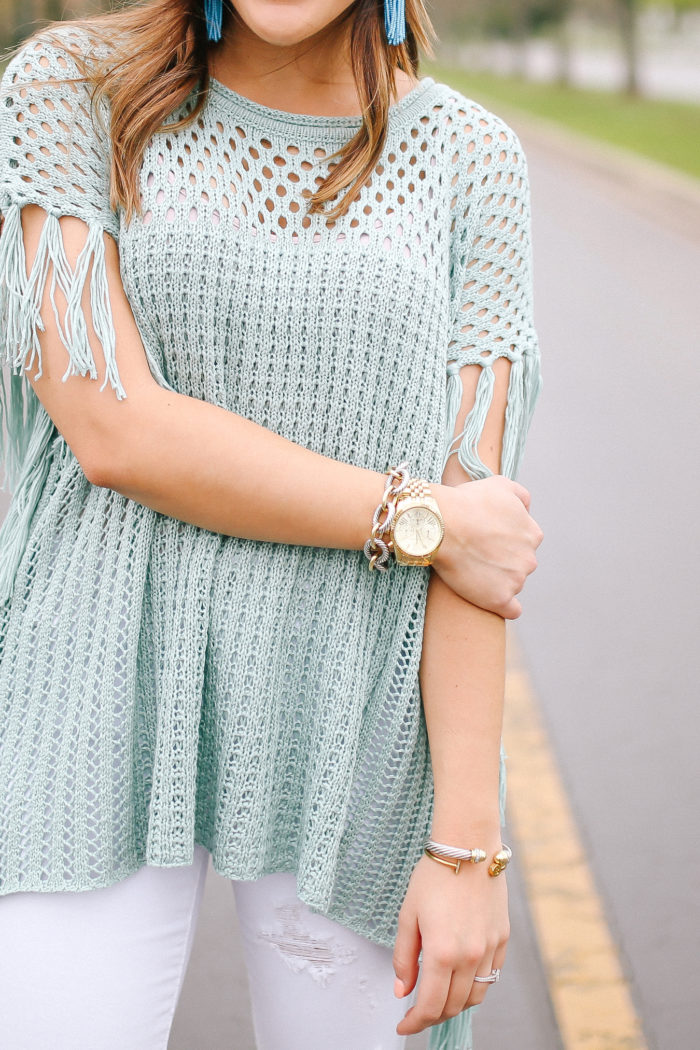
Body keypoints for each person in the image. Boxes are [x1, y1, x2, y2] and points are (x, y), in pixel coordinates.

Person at [0, 0, 543, 1047]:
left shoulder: (474, 160)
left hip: (356, 739)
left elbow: (481, 541)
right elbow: (113, 427)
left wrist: (468, 850)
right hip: (89, 699)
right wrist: (417, 518)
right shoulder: (68, 85)